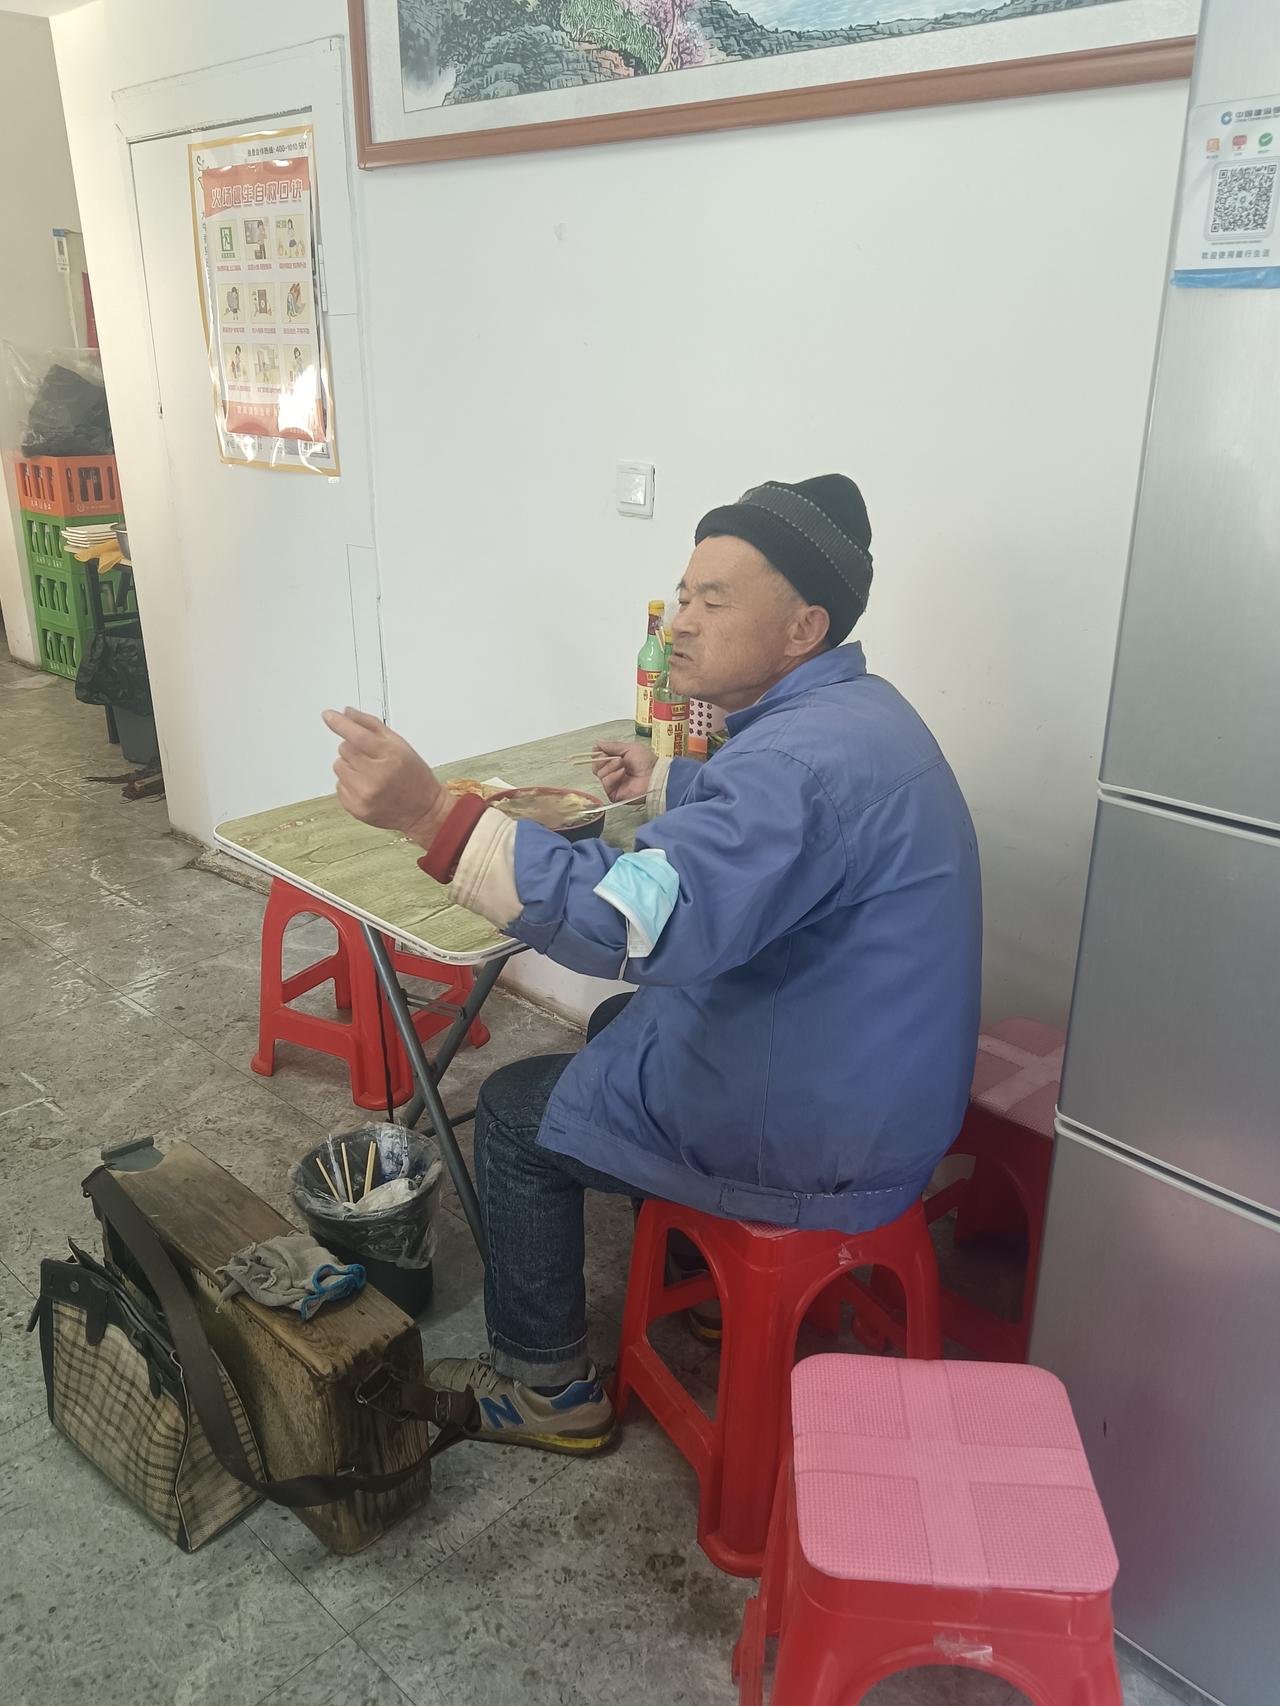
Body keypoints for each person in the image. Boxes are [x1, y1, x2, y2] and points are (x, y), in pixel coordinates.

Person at [323, 474, 982, 1454]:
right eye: (681, 594)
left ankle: (547, 1387)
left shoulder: (794, 764)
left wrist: (433, 816)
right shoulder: (857, 714)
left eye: (713, 600)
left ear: (801, 628)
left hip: (820, 1134)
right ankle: (701, 1281)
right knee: (610, 1029)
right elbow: (773, 827)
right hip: (877, 1084)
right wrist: (671, 776)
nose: (679, 623)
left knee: (512, 1110)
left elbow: (632, 925)